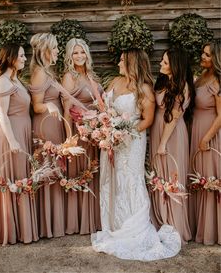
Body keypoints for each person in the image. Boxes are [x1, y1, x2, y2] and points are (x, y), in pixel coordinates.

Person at [91, 49, 181, 260]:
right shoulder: (114, 81)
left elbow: (147, 121)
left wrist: (125, 133)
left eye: (122, 60)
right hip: (112, 141)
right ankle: (114, 224)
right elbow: (105, 107)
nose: (119, 63)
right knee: (111, 180)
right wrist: (107, 128)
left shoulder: (144, 89)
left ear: (132, 63)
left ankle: (132, 226)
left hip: (132, 142)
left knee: (130, 180)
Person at [0, 44, 39, 245]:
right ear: (10, 58)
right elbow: (2, 115)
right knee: (13, 179)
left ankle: (23, 229)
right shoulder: (2, 82)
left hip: (22, 133)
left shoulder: (14, 79)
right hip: (11, 137)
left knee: (22, 178)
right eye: (21, 55)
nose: (25, 58)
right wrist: (12, 141)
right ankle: (10, 230)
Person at [149, 48, 195, 246]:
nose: (161, 64)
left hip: (172, 135)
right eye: (162, 60)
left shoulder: (183, 86)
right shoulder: (162, 81)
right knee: (159, 175)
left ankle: (174, 224)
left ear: (175, 66)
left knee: (172, 177)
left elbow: (174, 119)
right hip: (158, 130)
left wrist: (162, 143)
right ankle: (160, 221)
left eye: (165, 62)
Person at [62, 38, 102, 234]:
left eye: (82, 52)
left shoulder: (92, 75)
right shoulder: (69, 77)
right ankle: (78, 221)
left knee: (92, 171)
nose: (79, 56)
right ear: (70, 56)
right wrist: (69, 138)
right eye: (75, 53)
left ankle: (93, 219)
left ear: (87, 54)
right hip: (79, 133)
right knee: (79, 172)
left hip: (95, 134)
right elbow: (67, 108)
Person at [29, 33, 66, 239]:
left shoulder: (47, 71)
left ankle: (56, 220)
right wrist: (50, 104)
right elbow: (36, 106)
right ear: (45, 51)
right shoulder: (39, 73)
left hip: (55, 123)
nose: (58, 51)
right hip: (45, 124)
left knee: (55, 166)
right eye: (55, 48)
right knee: (48, 166)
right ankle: (47, 222)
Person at [189, 40, 221, 245]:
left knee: (209, 179)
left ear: (216, 59)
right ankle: (198, 226)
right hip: (196, 129)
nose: (203, 56)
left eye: (208, 55)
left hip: (209, 133)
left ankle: (212, 231)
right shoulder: (201, 77)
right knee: (197, 177)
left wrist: (206, 138)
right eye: (203, 53)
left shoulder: (218, 81)